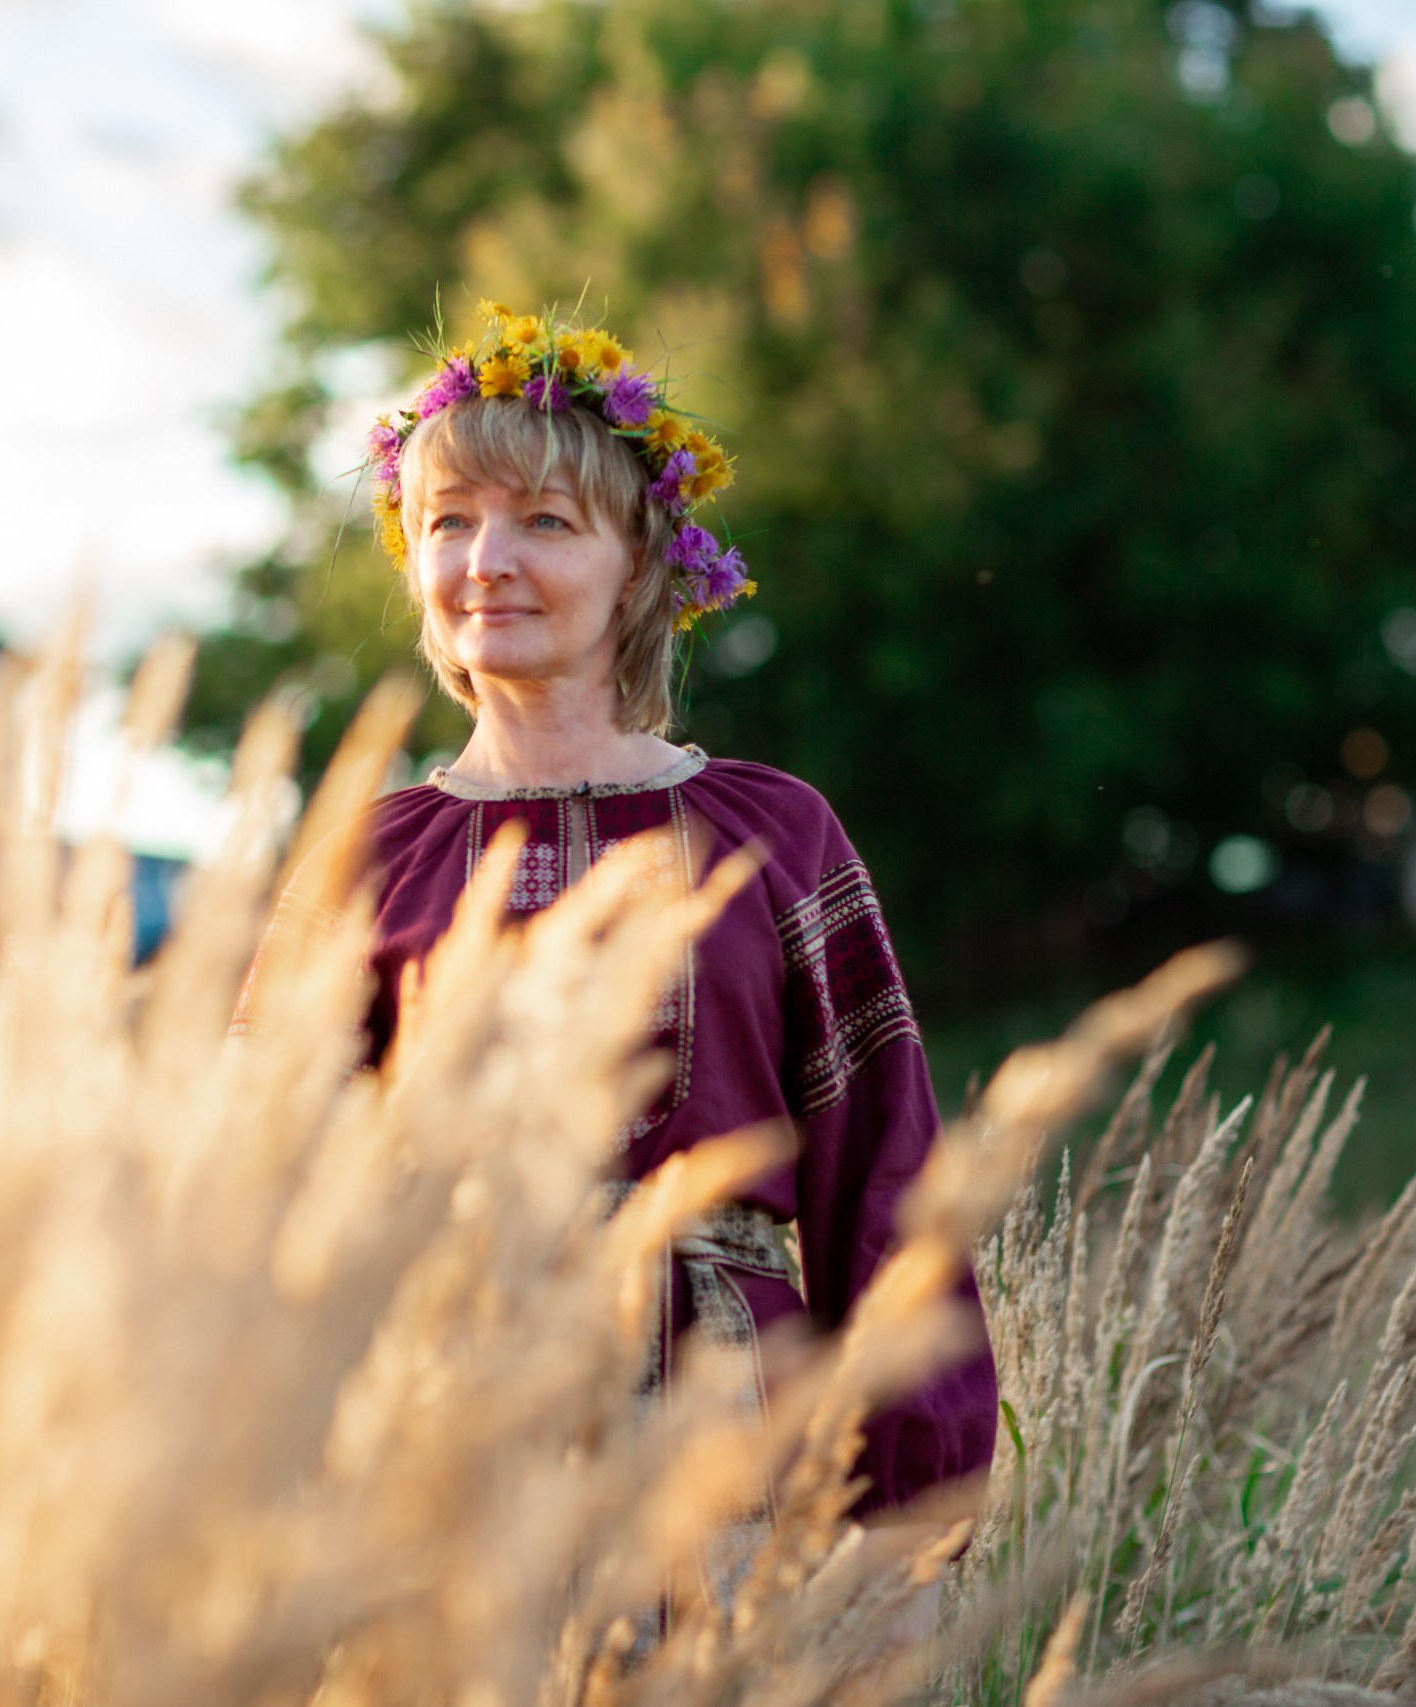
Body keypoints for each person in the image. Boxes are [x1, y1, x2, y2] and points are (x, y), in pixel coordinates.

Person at [351, 302, 995, 1609]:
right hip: (431, 1481)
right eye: (450, 520)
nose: (488, 560)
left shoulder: (773, 834)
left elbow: (890, 1173)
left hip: (722, 1468)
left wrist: (896, 1509)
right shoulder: (367, 857)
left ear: (641, 565)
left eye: (545, 521)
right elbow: (266, 1188)